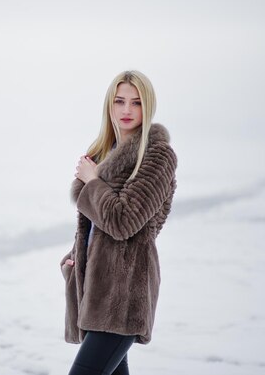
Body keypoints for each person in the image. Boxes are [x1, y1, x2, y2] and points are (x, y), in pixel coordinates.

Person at [60, 70, 178, 375]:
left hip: (124, 295)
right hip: (97, 292)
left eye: (136, 103)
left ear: (147, 108)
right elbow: (95, 228)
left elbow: (123, 222)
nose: (127, 110)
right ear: (109, 106)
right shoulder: (103, 154)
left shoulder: (157, 155)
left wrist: (93, 182)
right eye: (120, 101)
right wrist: (75, 259)